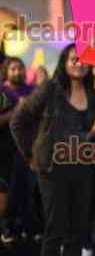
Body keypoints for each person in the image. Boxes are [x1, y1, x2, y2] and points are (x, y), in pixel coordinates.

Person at [10, 44, 95, 256]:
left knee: (77, 230)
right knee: (55, 230)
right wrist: (30, 154)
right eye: (74, 59)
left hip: (84, 168)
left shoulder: (94, 96)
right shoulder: (50, 89)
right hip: (53, 169)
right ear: (64, 62)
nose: (79, 63)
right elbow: (17, 121)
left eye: (84, 60)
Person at [1, 57, 39, 243]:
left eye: (20, 68)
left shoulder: (32, 91)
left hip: (28, 151)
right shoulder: (3, 92)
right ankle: (7, 227)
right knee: (8, 192)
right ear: (6, 71)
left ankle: (27, 227)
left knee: (28, 190)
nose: (17, 72)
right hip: (5, 153)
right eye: (13, 69)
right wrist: (18, 108)